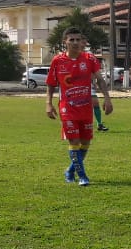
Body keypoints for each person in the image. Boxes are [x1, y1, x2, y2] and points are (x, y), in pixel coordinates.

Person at [46, 28, 113, 186]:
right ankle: (83, 176)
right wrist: (48, 103)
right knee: (74, 141)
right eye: (72, 40)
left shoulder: (89, 59)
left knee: (85, 142)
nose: (75, 43)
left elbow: (100, 80)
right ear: (65, 42)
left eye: (78, 39)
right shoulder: (57, 61)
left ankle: (70, 171)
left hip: (85, 107)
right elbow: (51, 84)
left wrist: (107, 99)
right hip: (67, 108)